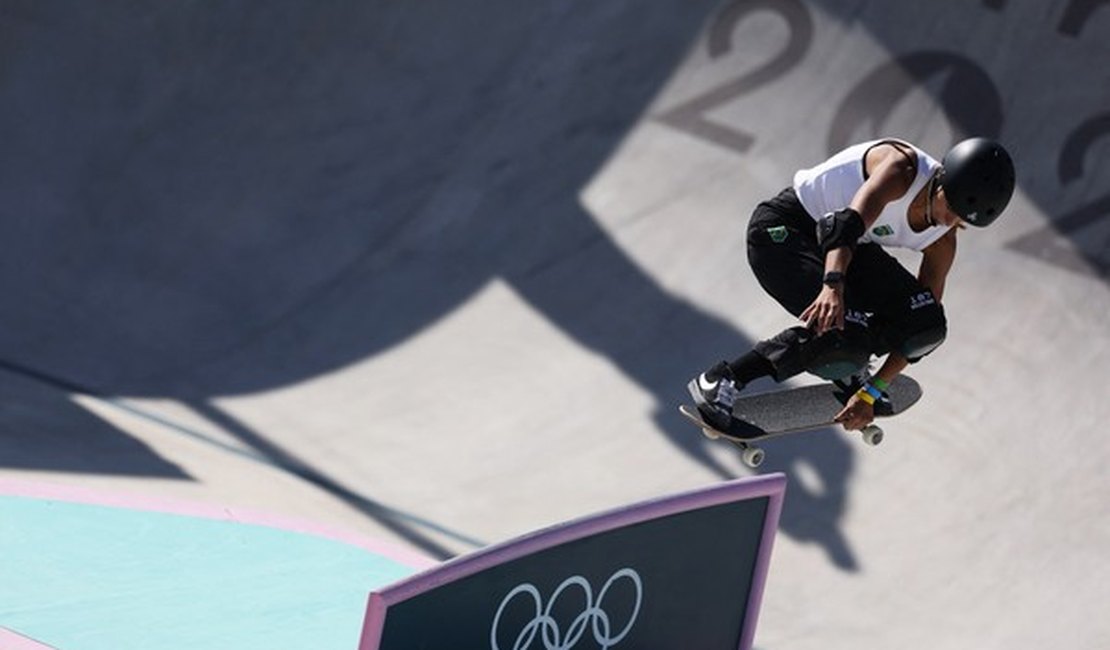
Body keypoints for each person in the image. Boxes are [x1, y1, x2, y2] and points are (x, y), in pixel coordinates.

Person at [689, 137, 1015, 432]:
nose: (950, 223)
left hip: (852, 247)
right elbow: (842, 226)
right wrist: (833, 286)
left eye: (963, 223)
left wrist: (871, 393)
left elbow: (919, 333)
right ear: (942, 182)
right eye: (952, 210)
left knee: (923, 320)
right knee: (839, 337)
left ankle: (850, 366)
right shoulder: (901, 170)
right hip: (784, 233)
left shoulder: (943, 242)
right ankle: (724, 377)